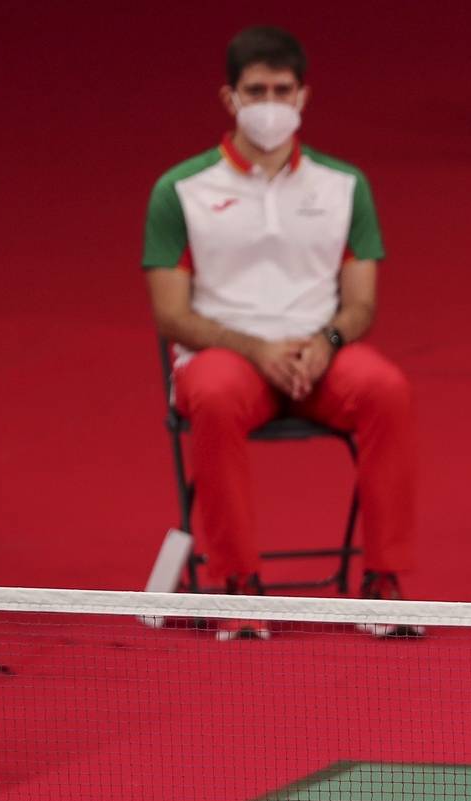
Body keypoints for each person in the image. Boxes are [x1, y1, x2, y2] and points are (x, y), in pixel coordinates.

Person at [143, 26, 420, 639]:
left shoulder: (344, 186)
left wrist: (325, 343)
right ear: (230, 97)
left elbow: (362, 302)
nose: (270, 102)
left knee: (386, 389)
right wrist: (256, 349)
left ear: (303, 96)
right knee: (213, 395)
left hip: (316, 356)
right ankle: (238, 589)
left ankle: (384, 583)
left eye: (282, 89)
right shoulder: (180, 190)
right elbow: (170, 314)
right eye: (256, 90)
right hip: (223, 355)